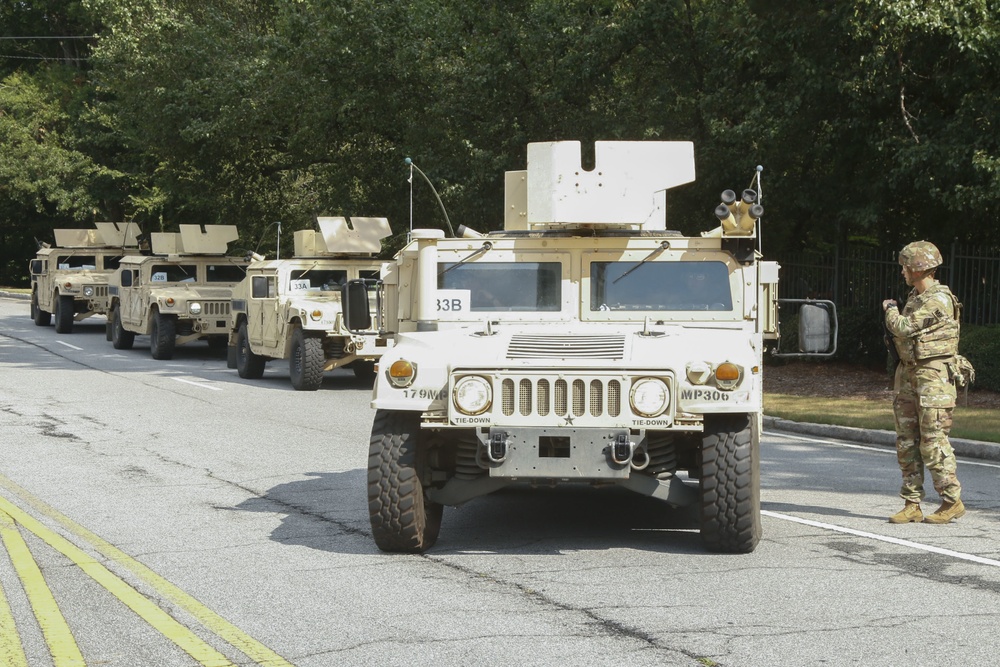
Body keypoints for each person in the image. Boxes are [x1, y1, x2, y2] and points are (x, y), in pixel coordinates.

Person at [882, 241, 964, 524]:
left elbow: (903, 327)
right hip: (909, 373)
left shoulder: (938, 299)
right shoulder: (916, 297)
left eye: (905, 266)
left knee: (932, 440)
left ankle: (951, 500)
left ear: (918, 268)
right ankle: (912, 503)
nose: (902, 271)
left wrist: (890, 309)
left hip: (933, 378)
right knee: (906, 441)